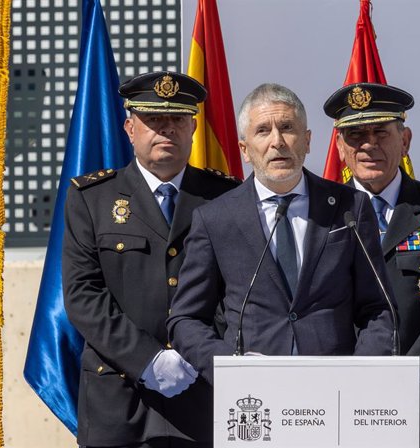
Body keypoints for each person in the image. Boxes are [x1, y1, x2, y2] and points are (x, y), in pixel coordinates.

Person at [166, 83, 394, 386]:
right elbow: (185, 320)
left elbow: (378, 308)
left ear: (308, 140)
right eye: (262, 131)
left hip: (336, 390)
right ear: (245, 150)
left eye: (287, 128)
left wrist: (360, 374)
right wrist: (227, 367)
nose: (277, 142)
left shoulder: (349, 206)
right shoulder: (215, 218)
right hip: (253, 396)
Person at [62, 71, 240, 448]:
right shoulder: (91, 199)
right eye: (154, 120)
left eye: (177, 119)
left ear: (192, 127)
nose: (166, 129)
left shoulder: (225, 197)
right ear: (130, 127)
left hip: (203, 395)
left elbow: (237, 288)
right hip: (119, 400)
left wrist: (201, 354)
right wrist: (147, 359)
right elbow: (83, 296)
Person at [325, 82, 420, 448]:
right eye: (355, 134)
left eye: (381, 132)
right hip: (339, 402)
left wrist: (407, 380)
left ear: (405, 139)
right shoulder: (319, 215)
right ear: (339, 147)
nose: (368, 144)